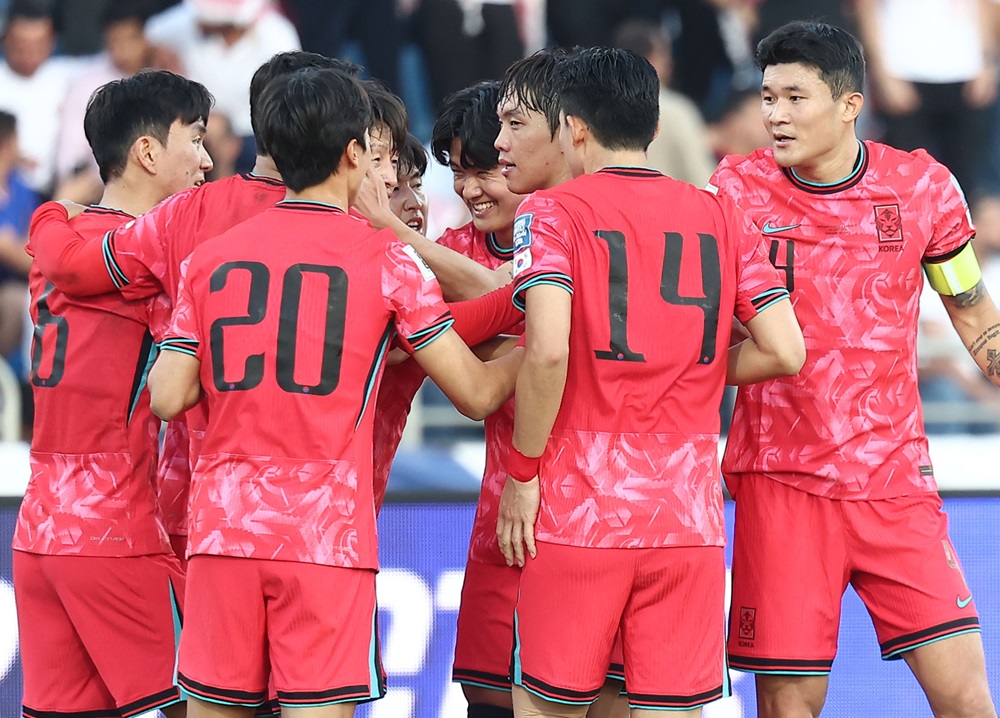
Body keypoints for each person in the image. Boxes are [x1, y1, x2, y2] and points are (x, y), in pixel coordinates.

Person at [146, 65, 520, 717]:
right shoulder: (385, 259)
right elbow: (477, 394)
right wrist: (538, 349)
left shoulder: (210, 259)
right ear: (353, 154)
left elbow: (167, 396)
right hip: (325, 537)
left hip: (223, 533)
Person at [497, 46, 804, 718]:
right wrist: (687, 364)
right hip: (688, 521)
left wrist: (521, 476)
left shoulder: (552, 212)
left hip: (581, 511)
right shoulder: (721, 212)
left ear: (574, 127)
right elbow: (785, 349)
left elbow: (546, 352)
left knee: (547, 706)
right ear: (656, 129)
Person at [708, 20, 1000, 718]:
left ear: (848, 104)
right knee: (789, 708)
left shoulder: (925, 188)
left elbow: (969, 307)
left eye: (795, 97)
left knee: (966, 698)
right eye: (768, 96)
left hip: (894, 483)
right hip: (782, 486)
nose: (775, 115)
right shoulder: (734, 192)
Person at [13, 69, 213, 718]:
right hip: (116, 529)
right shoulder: (153, 254)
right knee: (209, 705)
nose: (207, 160)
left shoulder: (59, 237)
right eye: (198, 138)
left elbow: (57, 239)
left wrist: (49, 209)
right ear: (149, 152)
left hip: (39, 527)